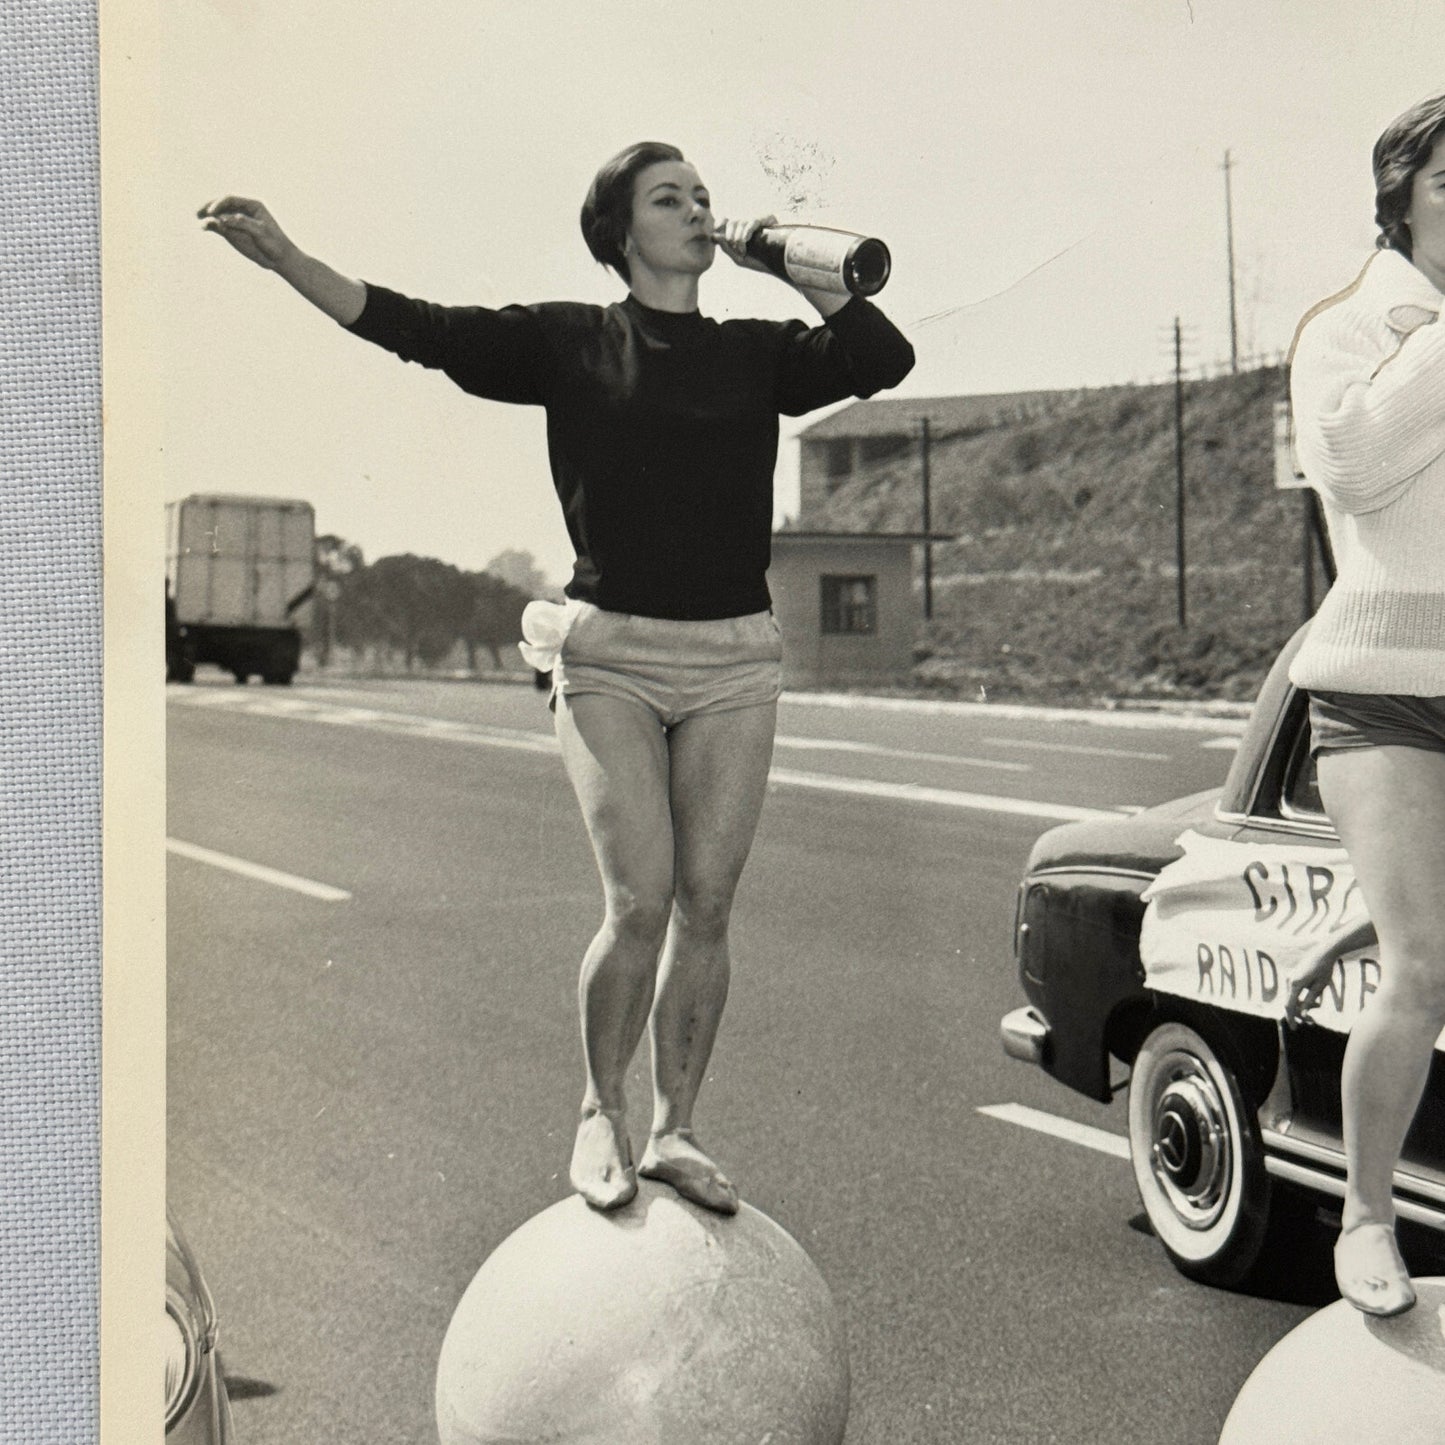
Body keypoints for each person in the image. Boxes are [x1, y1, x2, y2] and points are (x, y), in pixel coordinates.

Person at [198, 142, 914, 1215]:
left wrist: (787, 261)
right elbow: (418, 328)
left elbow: (881, 354)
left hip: (732, 660)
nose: (697, 209)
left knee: (707, 906)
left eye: (703, 195)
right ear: (618, 233)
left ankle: (675, 1129)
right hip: (609, 654)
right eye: (669, 198)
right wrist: (288, 258)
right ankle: (600, 1109)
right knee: (641, 900)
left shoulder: (756, 352)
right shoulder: (569, 340)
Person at [1285, 92, 1445, 1316]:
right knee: (1423, 970)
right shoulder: (1347, 327)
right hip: (1383, 693)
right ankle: (1367, 1213)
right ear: (1399, 199)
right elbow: (1351, 466)